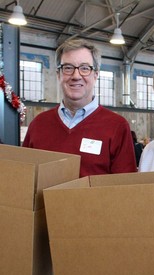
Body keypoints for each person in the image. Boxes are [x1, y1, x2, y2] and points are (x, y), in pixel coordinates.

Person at [23, 39, 137, 177]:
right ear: (58, 74)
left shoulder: (117, 127)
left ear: (95, 75)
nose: (76, 76)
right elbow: (25, 180)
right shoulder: (38, 124)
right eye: (68, 68)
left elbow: (124, 189)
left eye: (84, 68)